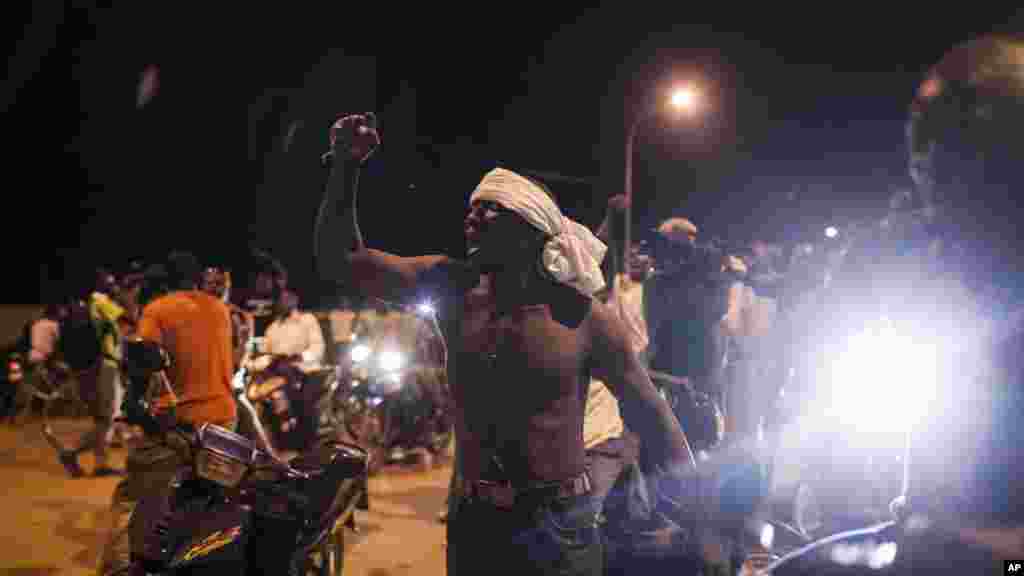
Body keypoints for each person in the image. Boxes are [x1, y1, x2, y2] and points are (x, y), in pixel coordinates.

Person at [316, 114, 692, 576]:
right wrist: (345, 168)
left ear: (531, 229)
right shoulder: (455, 290)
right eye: (473, 206)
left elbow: (647, 408)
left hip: (559, 525)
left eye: (491, 208)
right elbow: (344, 261)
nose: (472, 215)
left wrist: (694, 498)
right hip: (476, 521)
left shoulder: (584, 317)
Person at [97, 251, 237, 575]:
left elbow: (142, 364)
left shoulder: (158, 311)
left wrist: (135, 409)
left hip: (180, 425)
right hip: (224, 422)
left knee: (130, 499)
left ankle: (115, 569)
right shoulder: (221, 309)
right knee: (207, 498)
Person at [50, 269, 127, 478]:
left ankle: (101, 463)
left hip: (84, 367)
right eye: (108, 281)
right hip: (104, 365)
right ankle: (71, 451)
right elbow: (127, 318)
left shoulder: (75, 306)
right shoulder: (100, 301)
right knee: (107, 418)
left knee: (101, 418)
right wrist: (121, 296)